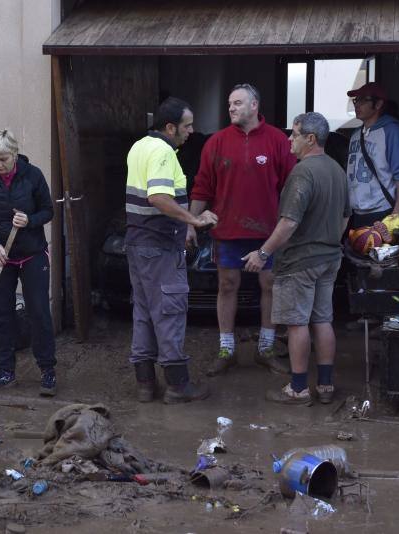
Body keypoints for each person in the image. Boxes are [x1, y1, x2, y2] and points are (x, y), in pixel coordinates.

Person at [188, 83, 297, 377]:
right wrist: (190, 222)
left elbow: (293, 187)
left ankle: (266, 349)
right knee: (227, 286)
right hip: (228, 230)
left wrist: (292, 225)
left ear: (254, 106)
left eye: (237, 103)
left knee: (270, 285)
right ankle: (226, 349)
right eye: (229, 104)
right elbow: (202, 187)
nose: (232, 108)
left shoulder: (278, 140)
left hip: (269, 231)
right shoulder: (216, 142)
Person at [243, 112, 350, 405]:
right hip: (329, 258)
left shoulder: (303, 172)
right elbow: (345, 217)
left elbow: (289, 222)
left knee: (296, 323)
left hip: (300, 261)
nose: (290, 139)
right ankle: (325, 387)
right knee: (323, 319)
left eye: (295, 134)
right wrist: (328, 240)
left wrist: (263, 252)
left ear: (310, 139)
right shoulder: (337, 171)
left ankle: (299, 388)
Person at [125, 97, 217, 404]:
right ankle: (178, 386)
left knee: (144, 313)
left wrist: (186, 228)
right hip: (160, 246)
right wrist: (194, 220)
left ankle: (145, 385)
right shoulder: (163, 152)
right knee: (170, 312)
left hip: (138, 244)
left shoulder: (140, 146)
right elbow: (159, 197)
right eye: (187, 126)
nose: (192, 131)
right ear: (170, 127)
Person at [0, 129, 56, 396]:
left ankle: (48, 370)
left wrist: (29, 219)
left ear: (15, 154)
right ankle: (5, 372)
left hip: (32, 254)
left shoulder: (33, 175)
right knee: (2, 314)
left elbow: (48, 210)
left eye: (3, 159)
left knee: (39, 311)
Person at [346, 82, 399, 228]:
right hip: (357, 211)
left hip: (383, 210)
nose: (357, 104)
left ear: (378, 104)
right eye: (356, 100)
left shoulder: (392, 132)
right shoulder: (356, 134)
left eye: (364, 100)